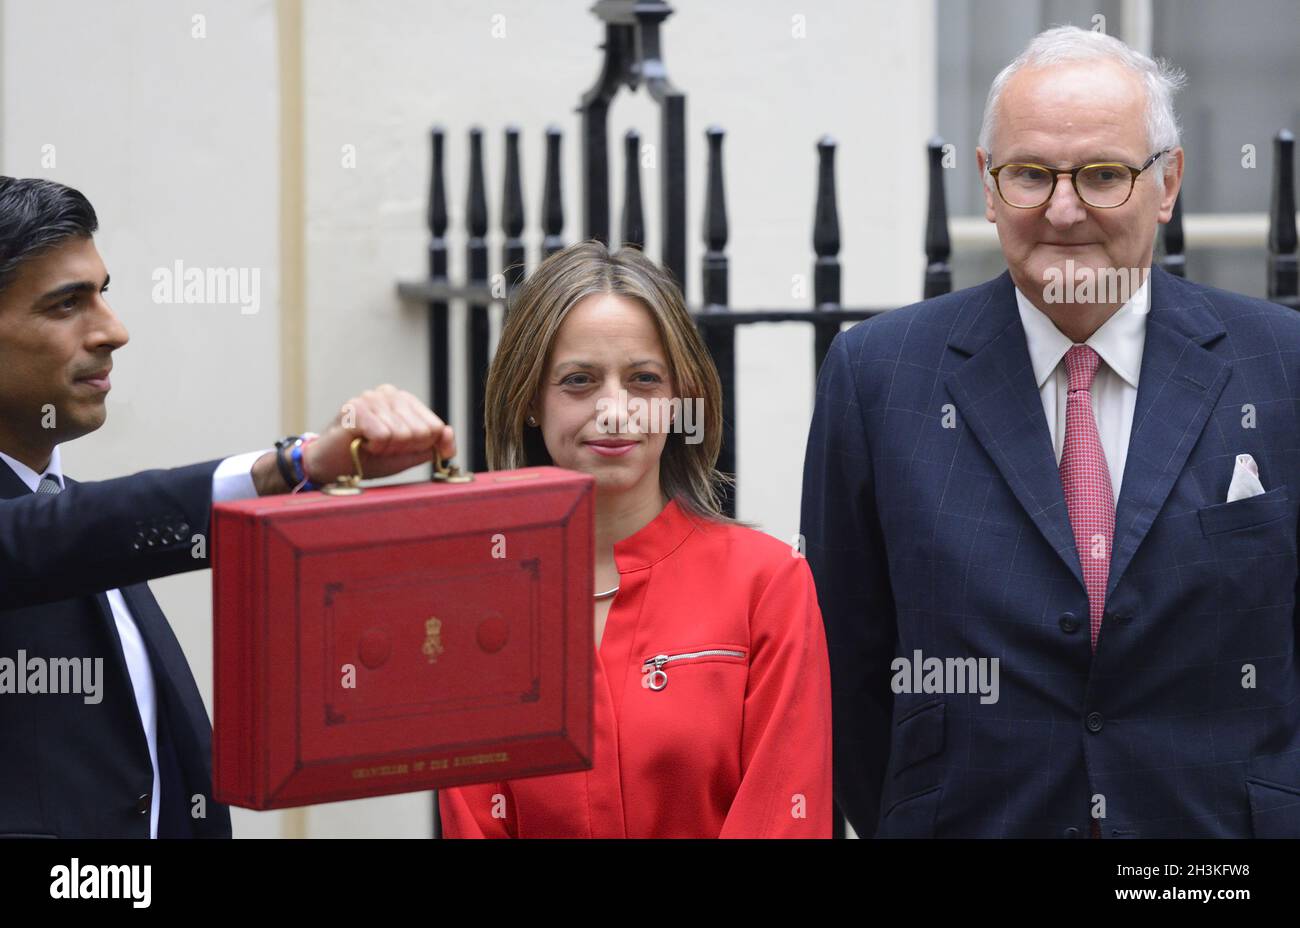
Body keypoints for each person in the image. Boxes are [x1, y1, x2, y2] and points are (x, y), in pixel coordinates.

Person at [802, 25, 1300, 839]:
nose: (1063, 210)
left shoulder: (1282, 366)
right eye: (1030, 174)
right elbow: (847, 668)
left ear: (1167, 183)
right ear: (988, 187)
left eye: (1104, 175)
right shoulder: (879, 376)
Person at [0, 176, 455, 837]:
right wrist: (289, 466)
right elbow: (55, 537)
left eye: (103, 294)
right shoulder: (65, 527)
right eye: (66, 305)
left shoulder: (71, 516)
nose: (113, 331)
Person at [438, 240, 832, 837]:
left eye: (643, 379)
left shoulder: (767, 585)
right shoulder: (477, 606)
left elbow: (784, 814)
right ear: (531, 403)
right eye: (578, 381)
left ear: (679, 400)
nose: (616, 410)